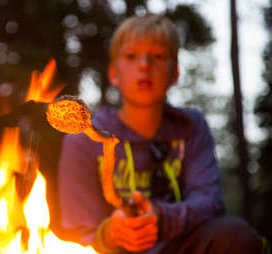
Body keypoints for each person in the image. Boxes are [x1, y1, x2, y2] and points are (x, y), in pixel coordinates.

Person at [57, 13, 264, 254]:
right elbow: (78, 228)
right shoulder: (83, 139)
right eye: (131, 56)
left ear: (175, 73)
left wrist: (163, 218)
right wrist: (111, 234)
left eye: (158, 56)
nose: (145, 65)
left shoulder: (190, 128)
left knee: (235, 236)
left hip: (180, 247)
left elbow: (209, 202)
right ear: (113, 73)